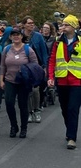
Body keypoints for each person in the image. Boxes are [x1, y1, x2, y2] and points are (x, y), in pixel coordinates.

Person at [47, 14, 81, 150]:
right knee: (65, 109)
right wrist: (50, 77)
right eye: (63, 25)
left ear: (73, 27)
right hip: (61, 80)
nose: (63, 27)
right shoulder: (57, 42)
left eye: (66, 25)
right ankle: (70, 129)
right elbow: (52, 60)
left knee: (73, 108)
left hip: (77, 81)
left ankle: (71, 137)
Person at [0, 27, 38, 138]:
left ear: (22, 36)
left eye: (18, 34)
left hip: (23, 82)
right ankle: (13, 126)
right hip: (9, 80)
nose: (16, 36)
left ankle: (24, 128)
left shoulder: (28, 50)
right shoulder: (6, 49)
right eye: (13, 35)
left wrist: (32, 79)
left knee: (23, 105)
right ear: (11, 37)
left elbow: (35, 66)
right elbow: (2, 65)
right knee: (9, 103)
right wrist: (1, 80)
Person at [22, 16, 48, 124]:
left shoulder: (38, 37)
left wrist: (45, 67)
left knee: (36, 90)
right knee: (26, 91)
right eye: (29, 23)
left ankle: (37, 110)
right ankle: (29, 112)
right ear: (24, 25)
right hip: (23, 67)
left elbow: (44, 52)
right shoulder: (19, 35)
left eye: (33, 23)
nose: (31, 25)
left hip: (36, 67)